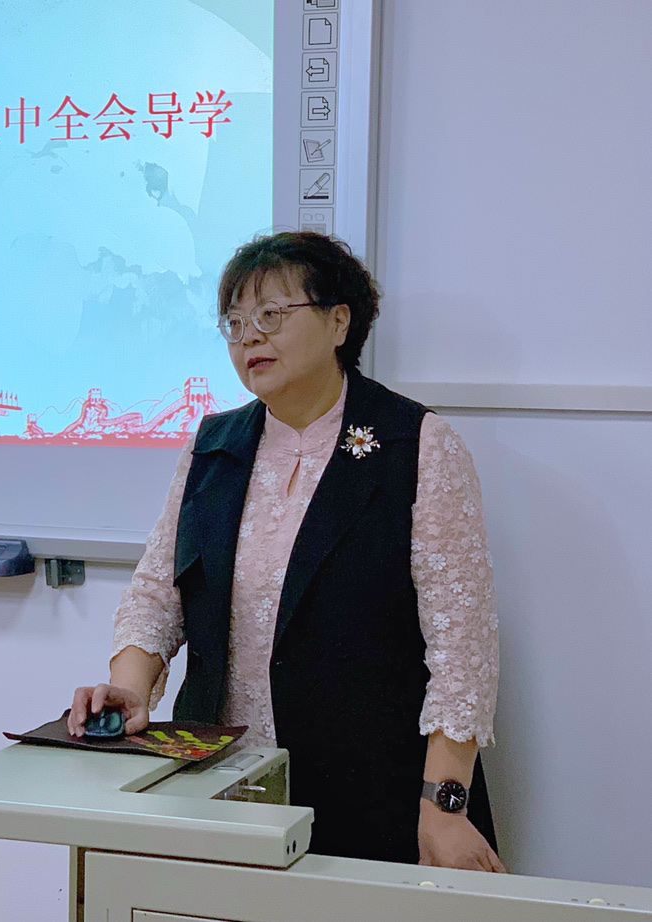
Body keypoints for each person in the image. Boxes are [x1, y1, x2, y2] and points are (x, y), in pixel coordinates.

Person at [67, 231, 503, 871]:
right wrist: (129, 687)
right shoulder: (214, 446)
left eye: (271, 315)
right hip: (224, 780)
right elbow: (159, 591)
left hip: (378, 789)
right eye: (235, 322)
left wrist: (445, 805)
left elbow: (462, 650)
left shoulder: (417, 446)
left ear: (338, 322)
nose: (249, 337)